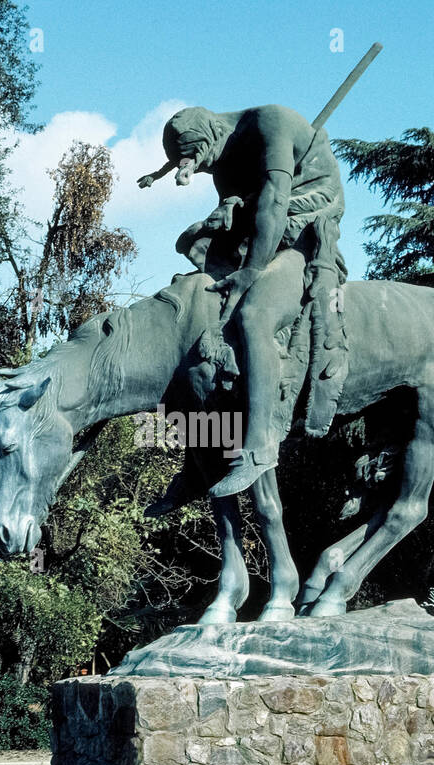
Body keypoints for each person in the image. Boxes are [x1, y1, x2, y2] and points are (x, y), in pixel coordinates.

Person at [139, 105, 349, 498]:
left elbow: (275, 202)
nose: (206, 171)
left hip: (305, 222)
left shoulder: (272, 124)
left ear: (215, 131)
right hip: (262, 222)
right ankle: (201, 457)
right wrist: (228, 210)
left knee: (254, 314)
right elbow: (243, 206)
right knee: (206, 310)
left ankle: (258, 447)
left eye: (203, 160)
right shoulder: (221, 156)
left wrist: (251, 273)